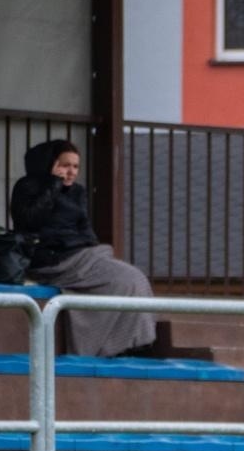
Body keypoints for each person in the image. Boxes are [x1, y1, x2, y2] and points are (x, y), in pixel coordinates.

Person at [9, 140, 156, 358]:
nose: (71, 172)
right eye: (65, 165)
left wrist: (95, 251)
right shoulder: (28, 187)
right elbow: (28, 220)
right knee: (127, 280)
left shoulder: (77, 192)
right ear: (49, 164)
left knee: (133, 280)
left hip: (82, 255)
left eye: (75, 167)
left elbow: (84, 226)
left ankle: (134, 342)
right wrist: (52, 184)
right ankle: (110, 345)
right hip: (52, 260)